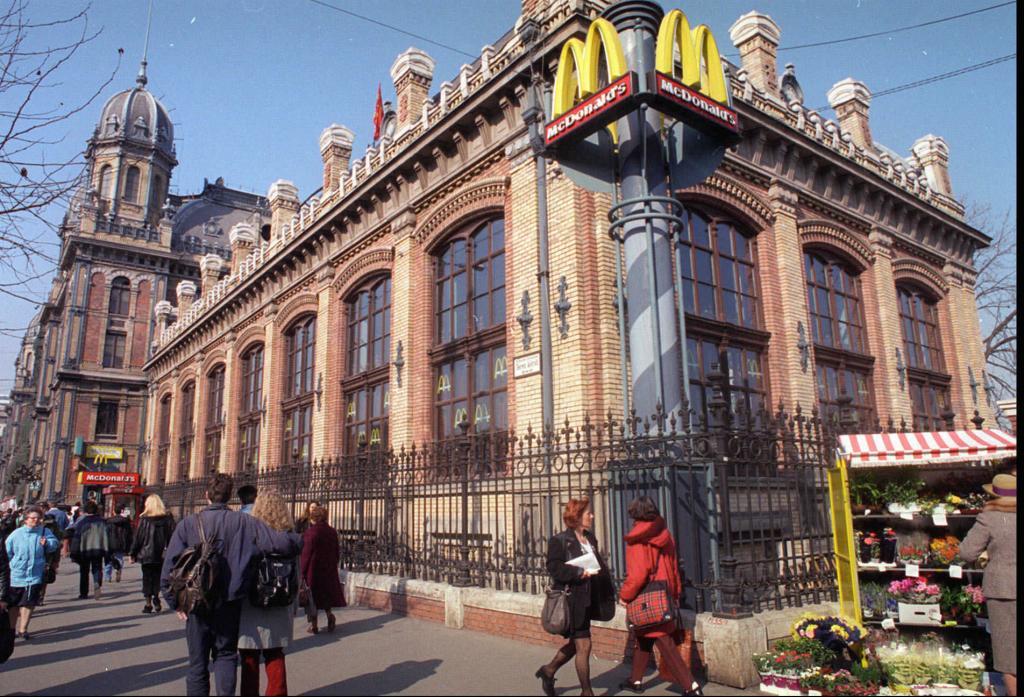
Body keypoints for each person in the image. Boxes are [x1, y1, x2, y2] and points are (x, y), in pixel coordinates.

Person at [160, 473, 302, 697]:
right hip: (229, 601)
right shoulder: (245, 522)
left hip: (196, 601)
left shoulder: (188, 523)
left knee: (197, 664)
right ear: (229, 496)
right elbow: (280, 543)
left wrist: (175, 603)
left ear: (206, 495)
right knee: (225, 656)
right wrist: (301, 537)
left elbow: (169, 567)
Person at [617, 496, 700, 695]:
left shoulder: (637, 538)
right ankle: (635, 680)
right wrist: (675, 592)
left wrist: (625, 596)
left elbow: (638, 574)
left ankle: (691, 686)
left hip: (648, 597)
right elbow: (673, 567)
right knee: (643, 635)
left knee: (663, 640)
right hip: (665, 593)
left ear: (634, 514)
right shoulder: (664, 533)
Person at [536, 497, 615, 697]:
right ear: (577, 516)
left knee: (576, 644)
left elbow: (598, 565)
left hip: (589, 599)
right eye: (588, 513)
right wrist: (579, 573)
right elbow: (554, 568)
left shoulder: (590, 538)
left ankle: (548, 670)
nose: (592, 516)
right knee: (584, 644)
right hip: (572, 600)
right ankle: (587, 692)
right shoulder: (559, 540)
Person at [960, 472, 1016, 697]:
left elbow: (966, 552)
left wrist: (986, 556)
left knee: (1008, 655)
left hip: (1003, 590)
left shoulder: (990, 517)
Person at [238, 491, 300, 696]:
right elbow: (297, 575)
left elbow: (241, 568)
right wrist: (294, 605)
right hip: (281, 600)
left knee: (249, 656)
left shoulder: (249, 535)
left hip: (251, 602)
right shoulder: (290, 538)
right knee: (275, 654)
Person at [3, 506, 59, 639]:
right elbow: (6, 553)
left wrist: (47, 543)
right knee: (13, 605)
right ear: (26, 519)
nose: (36, 521)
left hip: (35, 574)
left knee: (29, 603)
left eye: (38, 518)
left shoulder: (44, 532)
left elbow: (55, 544)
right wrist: (8, 567)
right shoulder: (16, 534)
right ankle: (11, 629)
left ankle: (23, 629)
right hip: (16, 574)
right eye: (33, 518)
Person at [299, 505, 345, 634]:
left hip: (313, 570)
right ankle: (330, 615)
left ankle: (314, 625)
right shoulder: (332, 531)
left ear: (313, 518)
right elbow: (336, 551)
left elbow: (306, 555)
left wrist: (302, 572)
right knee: (326, 596)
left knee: (312, 598)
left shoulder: (311, 533)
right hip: (328, 568)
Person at [130, 494, 175, 614]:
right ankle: (156, 597)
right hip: (161, 554)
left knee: (147, 578)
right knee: (157, 577)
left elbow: (138, 538)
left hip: (146, 554)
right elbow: (172, 536)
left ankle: (148, 603)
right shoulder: (167, 519)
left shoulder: (144, 519)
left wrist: (133, 553)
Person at [69, 500, 109, 600]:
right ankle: (97, 582)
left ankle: (84, 593)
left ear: (85, 511)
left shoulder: (81, 522)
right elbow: (107, 536)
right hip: (98, 548)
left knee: (84, 571)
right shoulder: (102, 522)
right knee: (97, 568)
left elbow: (76, 538)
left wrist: (73, 552)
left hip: (84, 549)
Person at [105, 507, 133, 583]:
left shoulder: (109, 521)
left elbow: (106, 532)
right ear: (121, 511)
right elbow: (129, 534)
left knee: (108, 559)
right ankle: (118, 568)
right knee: (119, 557)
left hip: (110, 542)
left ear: (113, 511)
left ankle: (108, 576)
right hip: (121, 542)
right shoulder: (125, 521)